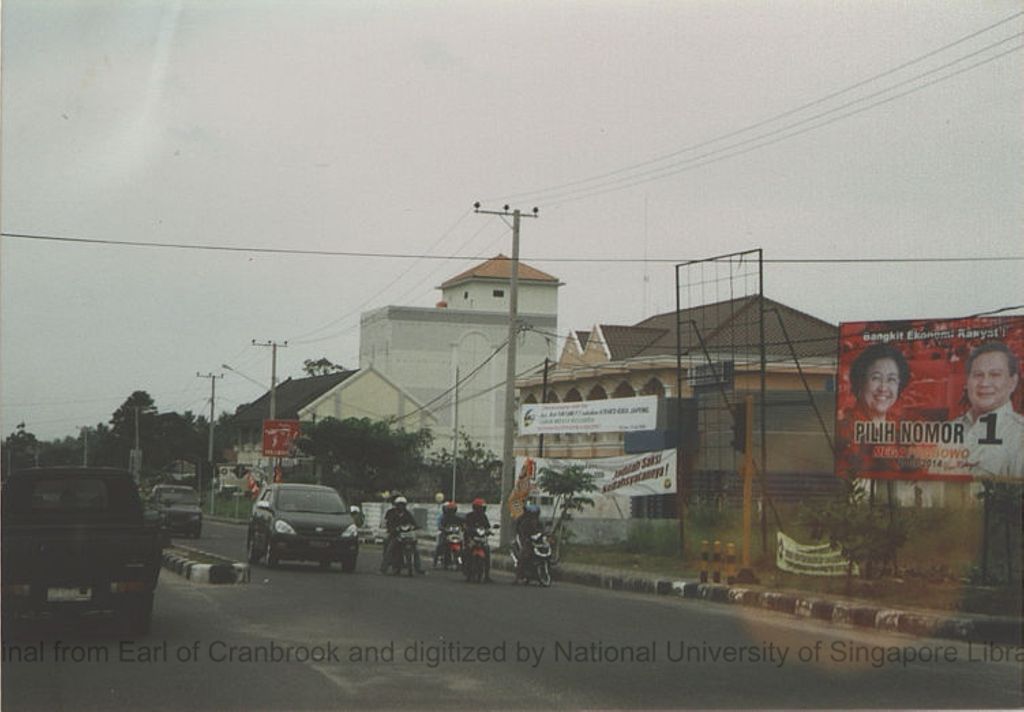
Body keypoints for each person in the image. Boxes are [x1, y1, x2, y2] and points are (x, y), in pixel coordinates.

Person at [951, 342, 1024, 478]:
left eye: (995, 375)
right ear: (967, 382)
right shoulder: (948, 429)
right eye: (978, 375)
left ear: (1013, 382)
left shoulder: (1019, 436)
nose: (984, 383)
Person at [848, 343, 911, 422]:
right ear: (860, 381)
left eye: (891, 379)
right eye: (876, 378)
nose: (883, 388)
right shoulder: (845, 428)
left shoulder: (899, 426)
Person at [380, 496, 425, 574]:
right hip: (395, 534)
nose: (401, 507)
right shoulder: (391, 513)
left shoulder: (407, 513)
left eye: (403, 505)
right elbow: (388, 523)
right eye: (399, 505)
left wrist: (416, 526)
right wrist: (393, 529)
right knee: (389, 548)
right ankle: (383, 569)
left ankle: (418, 568)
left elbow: (413, 522)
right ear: (396, 505)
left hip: (407, 534)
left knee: (416, 550)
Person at [462, 498, 493, 583]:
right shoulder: (469, 516)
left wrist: (489, 531)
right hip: (471, 538)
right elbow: (465, 526)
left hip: (481, 539)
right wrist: (467, 529)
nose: (482, 509)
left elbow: (487, 526)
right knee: (467, 551)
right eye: (480, 508)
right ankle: (467, 571)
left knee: (487, 553)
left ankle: (487, 575)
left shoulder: (484, 517)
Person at [513, 502, 543, 580]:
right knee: (524, 555)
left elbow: (541, 530)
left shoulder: (538, 522)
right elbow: (521, 531)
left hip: (535, 539)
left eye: (535, 514)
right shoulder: (523, 521)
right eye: (532, 514)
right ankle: (518, 577)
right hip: (524, 539)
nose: (534, 515)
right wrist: (526, 538)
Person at [433, 500, 463, 568]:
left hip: (455, 534)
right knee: (441, 544)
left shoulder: (457, 518)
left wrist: (465, 527)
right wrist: (443, 529)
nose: (452, 511)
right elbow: (440, 525)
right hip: (446, 534)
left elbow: (463, 523)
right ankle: (437, 559)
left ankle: (461, 560)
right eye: (450, 509)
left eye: (453, 509)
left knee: (462, 544)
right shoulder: (444, 518)